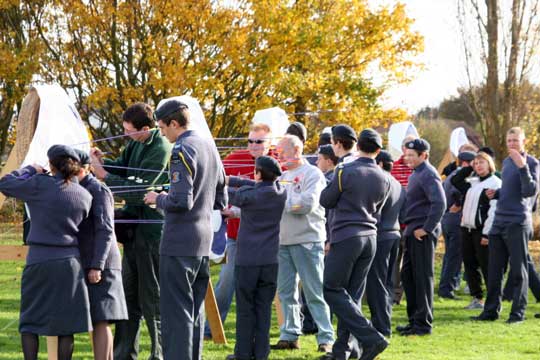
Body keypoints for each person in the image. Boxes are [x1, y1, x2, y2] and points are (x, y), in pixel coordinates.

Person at [144, 100, 227, 359]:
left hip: (179, 242)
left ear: (174, 123)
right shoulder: (208, 146)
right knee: (194, 310)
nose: (162, 134)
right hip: (203, 240)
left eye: (162, 127)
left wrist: (157, 198)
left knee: (176, 313)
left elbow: (181, 201)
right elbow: (221, 197)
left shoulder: (182, 149)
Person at [91, 103, 170, 360]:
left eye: (129, 131)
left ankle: (158, 352)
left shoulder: (160, 149)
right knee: (128, 293)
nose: (126, 135)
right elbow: (124, 168)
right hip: (133, 230)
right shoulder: (135, 143)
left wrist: (104, 176)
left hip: (151, 231)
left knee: (152, 296)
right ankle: (125, 353)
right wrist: (103, 163)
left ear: (145, 129)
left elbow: (141, 189)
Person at [0, 145, 92, 360]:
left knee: (30, 321)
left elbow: (5, 183)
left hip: (40, 259)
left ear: (51, 164)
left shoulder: (39, 185)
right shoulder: (83, 195)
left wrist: (30, 170)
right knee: (65, 325)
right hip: (70, 262)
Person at [320, 129, 390, 360]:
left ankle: (372, 338)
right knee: (352, 295)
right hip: (370, 237)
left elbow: (326, 200)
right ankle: (344, 351)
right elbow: (379, 208)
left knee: (331, 289)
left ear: (358, 146)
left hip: (346, 235)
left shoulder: (344, 170)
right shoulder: (384, 177)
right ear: (378, 151)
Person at [205, 123, 274, 339]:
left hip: (268, 240)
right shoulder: (234, 159)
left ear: (269, 144)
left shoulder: (276, 165)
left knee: (278, 289)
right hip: (236, 236)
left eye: (259, 141)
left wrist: (239, 208)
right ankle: (211, 329)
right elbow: (217, 183)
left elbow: (271, 202)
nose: (253, 145)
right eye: (250, 141)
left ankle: (290, 333)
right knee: (226, 280)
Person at [271, 135, 334, 353]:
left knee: (314, 292)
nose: (279, 156)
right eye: (277, 152)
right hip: (283, 241)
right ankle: (290, 334)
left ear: (296, 150)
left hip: (307, 241)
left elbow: (306, 204)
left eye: (282, 152)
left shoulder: (313, 174)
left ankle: (326, 338)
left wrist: (280, 202)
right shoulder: (283, 175)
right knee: (286, 292)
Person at [473, 127, 539, 323]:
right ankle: (490, 311)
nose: (511, 144)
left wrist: (523, 167)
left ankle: (517, 314)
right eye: (509, 140)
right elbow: (511, 190)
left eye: (515, 141)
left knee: (519, 271)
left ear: (523, 141)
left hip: (517, 223)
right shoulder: (508, 162)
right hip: (498, 222)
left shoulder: (532, 163)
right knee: (494, 271)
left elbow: (530, 192)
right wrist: (497, 194)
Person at [224, 156, 287, 360]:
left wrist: (221, 181)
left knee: (245, 308)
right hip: (270, 261)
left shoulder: (248, 196)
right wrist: (233, 179)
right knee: (263, 309)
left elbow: (229, 194)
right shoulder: (280, 192)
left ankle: (242, 352)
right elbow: (258, 185)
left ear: (258, 174)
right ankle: (261, 352)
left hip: (248, 260)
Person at [75, 149, 128, 360]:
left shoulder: (98, 190)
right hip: (91, 260)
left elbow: (106, 230)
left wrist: (97, 265)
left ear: (83, 167)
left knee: (101, 319)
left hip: (102, 262)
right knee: (97, 318)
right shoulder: (80, 188)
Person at [397, 138, 446, 336]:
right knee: (408, 277)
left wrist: (427, 228)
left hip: (421, 234)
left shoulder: (428, 173)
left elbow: (440, 203)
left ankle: (423, 325)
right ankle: (414, 321)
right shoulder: (417, 173)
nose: (407, 158)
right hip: (411, 230)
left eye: (411, 155)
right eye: (406, 154)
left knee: (422, 278)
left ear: (423, 155)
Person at [451, 151, 501, 310]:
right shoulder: (472, 182)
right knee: (470, 264)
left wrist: (487, 233)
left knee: (487, 266)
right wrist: (470, 165)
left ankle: (494, 301)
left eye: (482, 163)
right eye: (476, 163)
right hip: (467, 229)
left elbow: (494, 211)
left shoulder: (495, 183)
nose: (479, 166)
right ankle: (477, 298)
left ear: (490, 164)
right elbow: (455, 180)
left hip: (482, 231)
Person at [366, 150, 406, 337]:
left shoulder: (381, 182)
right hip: (395, 233)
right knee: (388, 281)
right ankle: (385, 321)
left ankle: (381, 326)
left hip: (381, 235)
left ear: (380, 164)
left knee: (377, 282)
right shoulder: (398, 184)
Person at [438, 151, 476, 299]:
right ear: (466, 163)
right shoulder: (461, 176)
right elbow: (458, 193)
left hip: (447, 218)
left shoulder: (451, 174)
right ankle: (447, 289)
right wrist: (459, 203)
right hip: (455, 219)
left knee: (449, 255)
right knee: (455, 256)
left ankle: (446, 285)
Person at [390, 134, 417, 304]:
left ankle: (413, 292)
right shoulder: (394, 168)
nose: (409, 149)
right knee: (395, 261)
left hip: (415, 223)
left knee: (413, 260)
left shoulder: (419, 168)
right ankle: (394, 294)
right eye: (406, 146)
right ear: (402, 148)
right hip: (397, 223)